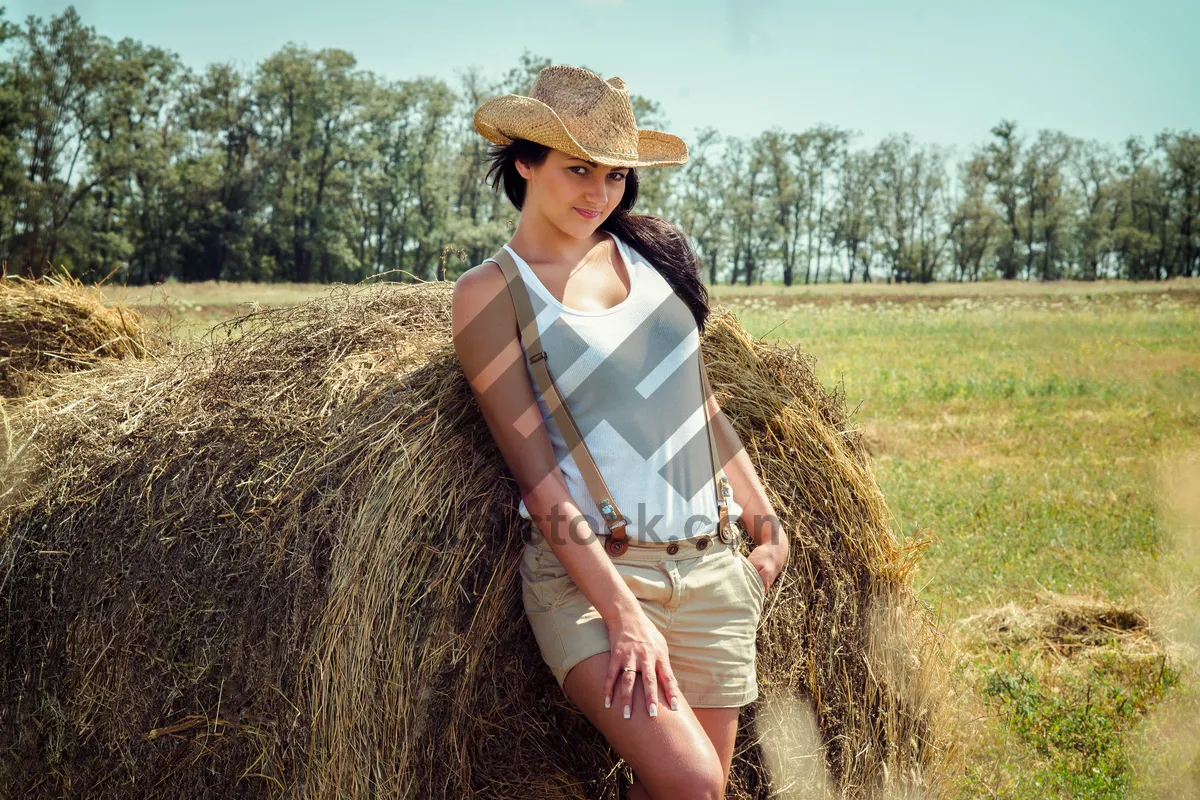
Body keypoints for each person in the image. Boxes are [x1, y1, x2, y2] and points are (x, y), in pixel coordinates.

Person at [451, 65, 789, 800]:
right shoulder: (492, 292)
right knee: (694, 784)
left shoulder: (654, 258)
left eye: (614, 177)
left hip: (712, 572)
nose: (599, 194)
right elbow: (536, 477)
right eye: (579, 170)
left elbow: (698, 405)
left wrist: (767, 530)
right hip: (597, 573)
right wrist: (622, 613)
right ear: (523, 162)